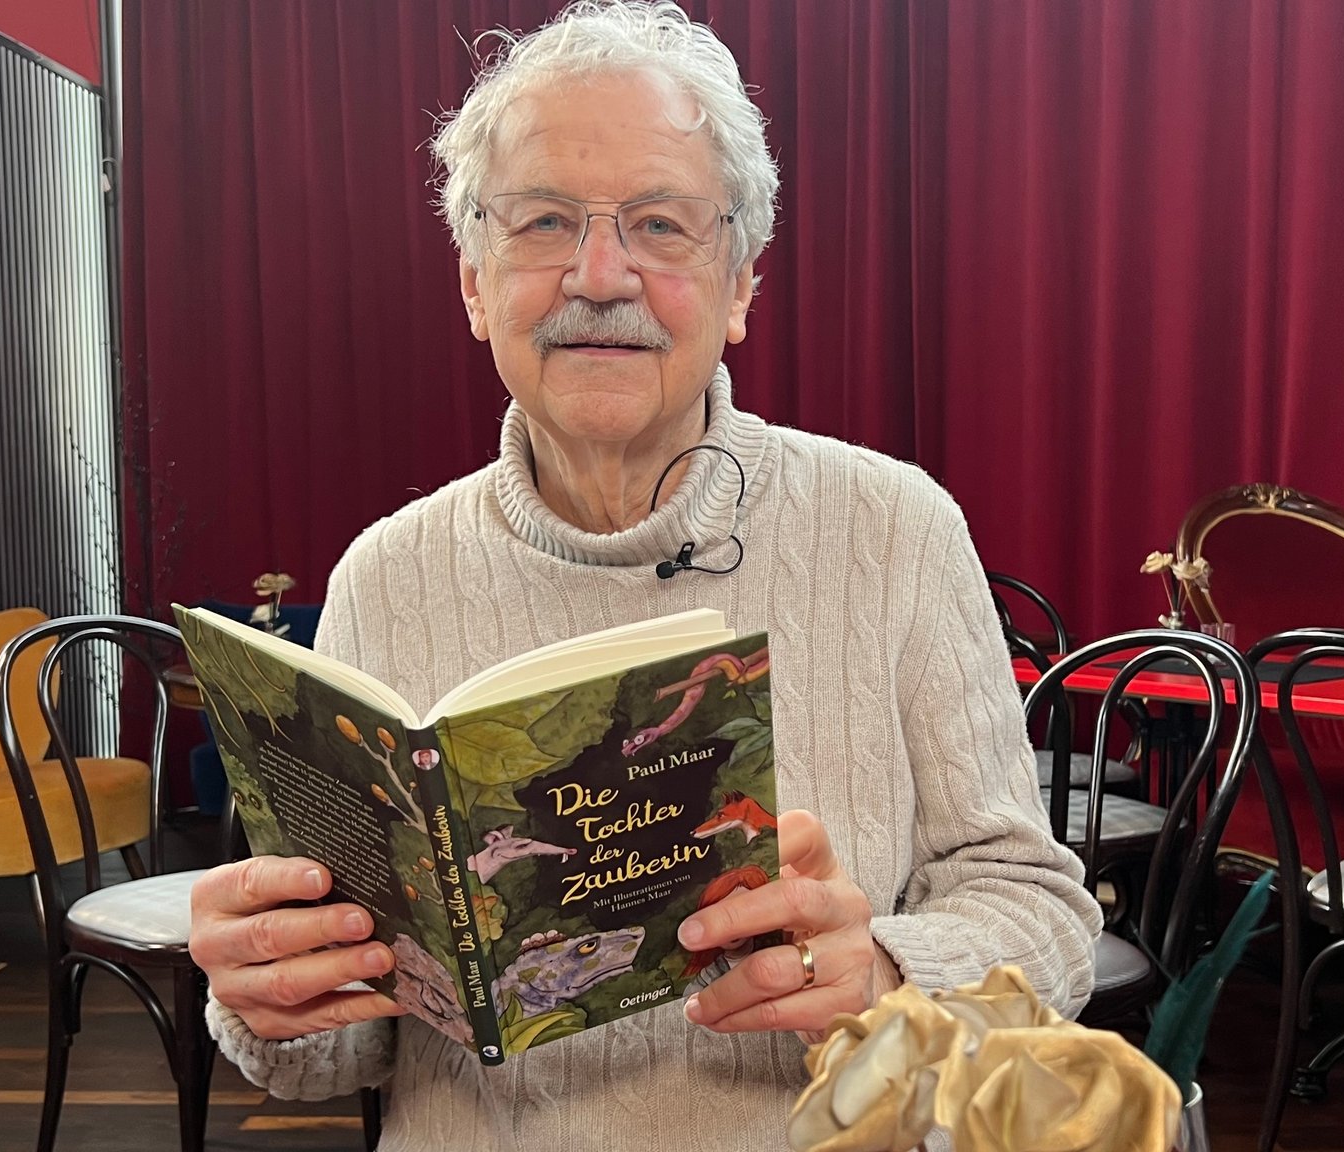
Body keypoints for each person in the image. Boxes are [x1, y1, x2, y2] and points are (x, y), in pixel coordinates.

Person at [190, 2, 1099, 1147]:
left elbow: (1046, 921)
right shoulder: (387, 573)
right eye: (542, 223)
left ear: (737, 287)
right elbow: (343, 1053)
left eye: (661, 226)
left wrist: (882, 969)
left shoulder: (892, 530)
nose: (599, 274)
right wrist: (272, 999)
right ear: (474, 283)